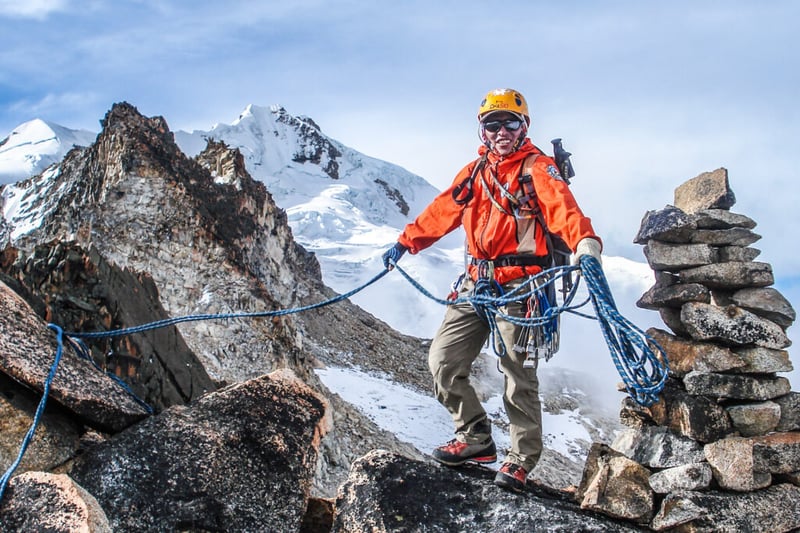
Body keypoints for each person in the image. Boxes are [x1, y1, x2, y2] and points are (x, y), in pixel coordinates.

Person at [382, 88, 602, 492]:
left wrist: (585, 244)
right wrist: (406, 241)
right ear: (482, 130)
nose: (501, 131)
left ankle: (520, 458)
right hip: (476, 281)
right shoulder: (475, 172)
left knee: (519, 373)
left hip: (522, 285)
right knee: (443, 362)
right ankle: (475, 437)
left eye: (509, 123)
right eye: (492, 124)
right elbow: (443, 210)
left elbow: (562, 209)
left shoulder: (537, 168)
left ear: (523, 127)